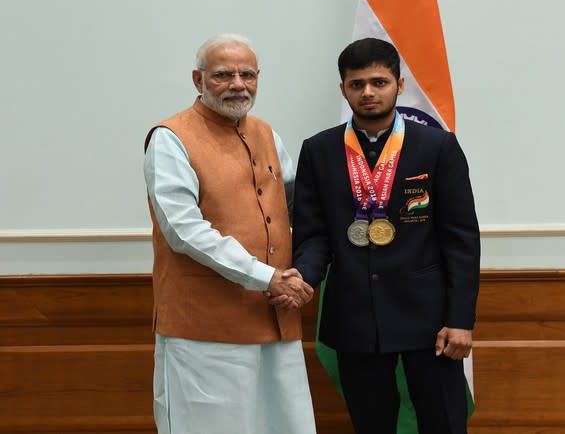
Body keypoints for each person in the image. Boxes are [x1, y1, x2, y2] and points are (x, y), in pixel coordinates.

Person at [290, 38, 480, 434]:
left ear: (400, 84)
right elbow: (313, 235)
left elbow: (461, 240)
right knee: (371, 425)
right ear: (342, 88)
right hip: (354, 317)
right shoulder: (319, 150)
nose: (368, 92)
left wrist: (460, 319)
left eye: (379, 82)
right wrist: (303, 277)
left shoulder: (437, 146)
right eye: (357, 84)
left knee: (443, 423)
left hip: (431, 322)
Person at [143, 33, 316, 434]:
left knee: (284, 426)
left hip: (276, 319)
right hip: (204, 329)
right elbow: (183, 230)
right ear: (197, 80)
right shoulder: (170, 138)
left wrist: (302, 272)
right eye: (223, 74)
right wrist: (268, 277)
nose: (238, 84)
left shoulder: (266, 133)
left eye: (247, 74)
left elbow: (296, 206)